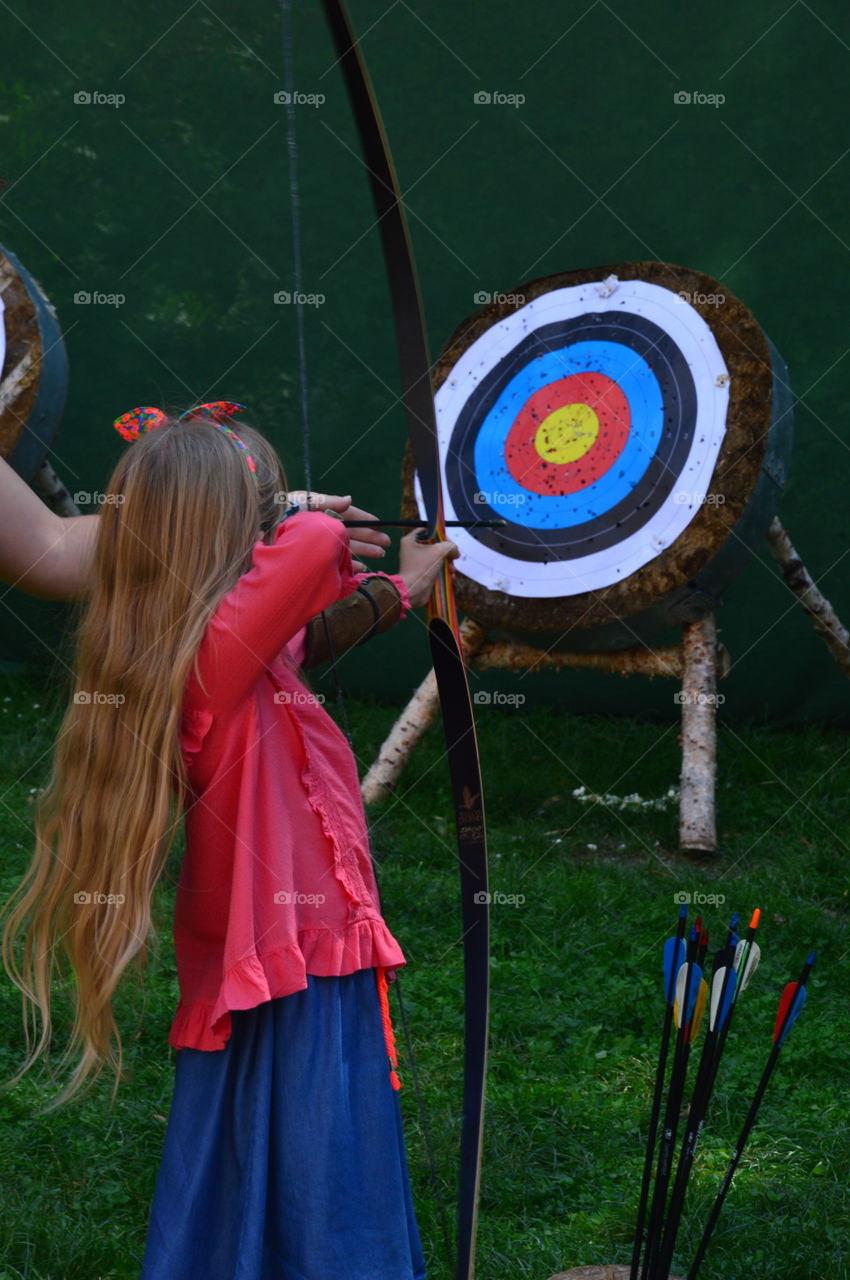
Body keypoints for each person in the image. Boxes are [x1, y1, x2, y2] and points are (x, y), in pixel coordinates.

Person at [1, 402, 457, 1280]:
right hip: (289, 955)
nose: (281, 520)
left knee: (265, 1141)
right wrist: (290, 513)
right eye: (261, 507)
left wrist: (400, 588)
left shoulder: (212, 650)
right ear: (231, 535)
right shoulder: (211, 652)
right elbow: (315, 549)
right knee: (316, 1145)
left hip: (295, 949)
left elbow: (300, 633)